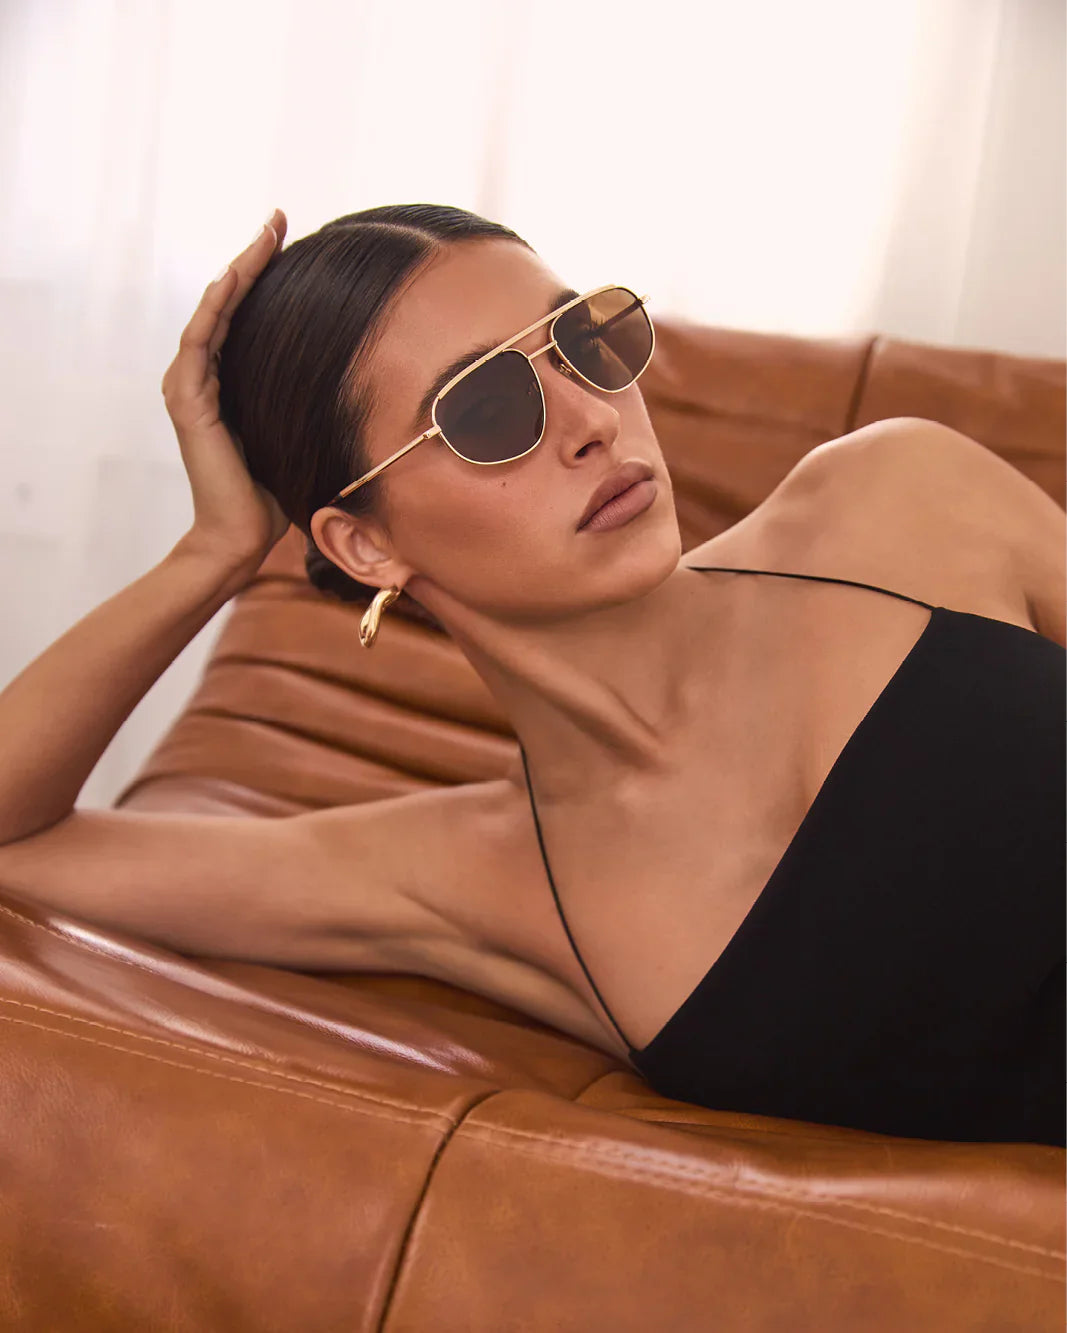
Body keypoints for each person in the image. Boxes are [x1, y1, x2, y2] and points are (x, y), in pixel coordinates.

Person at [0, 204, 1063, 1147]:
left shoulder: (896, 499)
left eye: (583, 345)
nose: (594, 420)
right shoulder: (467, 878)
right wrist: (216, 551)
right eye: (486, 410)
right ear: (364, 545)